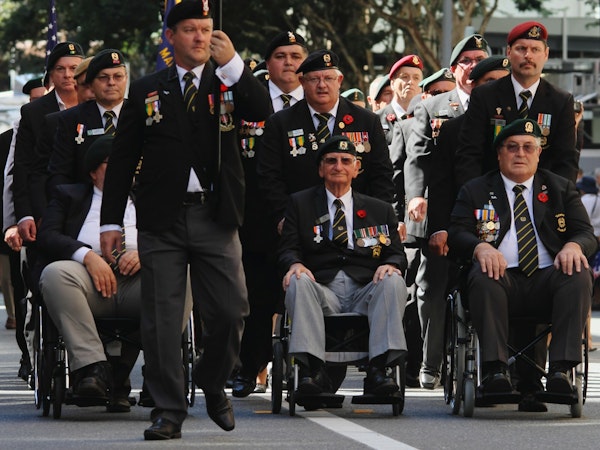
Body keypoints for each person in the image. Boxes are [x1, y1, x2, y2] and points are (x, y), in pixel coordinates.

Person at [99, 0, 271, 440]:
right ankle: (169, 410)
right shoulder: (146, 89)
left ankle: (212, 381)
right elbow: (122, 159)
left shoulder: (228, 80)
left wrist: (233, 63)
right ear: (171, 36)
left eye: (206, 28)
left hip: (216, 216)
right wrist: (110, 222)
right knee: (161, 319)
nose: (200, 37)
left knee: (231, 310)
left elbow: (261, 112)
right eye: (191, 29)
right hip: (163, 219)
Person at [448, 118, 595, 407]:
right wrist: (479, 247)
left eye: (529, 147)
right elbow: (456, 232)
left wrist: (574, 246)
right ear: (499, 153)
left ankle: (561, 371)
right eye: (512, 147)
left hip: (548, 279)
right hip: (499, 279)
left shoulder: (560, 188)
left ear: (539, 153)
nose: (520, 153)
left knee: (578, 273)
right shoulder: (476, 189)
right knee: (485, 274)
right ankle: (495, 371)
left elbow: (586, 233)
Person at [279, 135, 408, 395]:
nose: (338, 166)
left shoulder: (380, 209)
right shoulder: (300, 204)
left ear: (356, 168)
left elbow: (396, 253)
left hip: (365, 290)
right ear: (321, 169)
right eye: (331, 161)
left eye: (346, 161)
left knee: (393, 279)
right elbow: (287, 248)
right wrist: (294, 264)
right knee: (297, 280)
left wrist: (391, 264)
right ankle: (312, 371)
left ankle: (379, 370)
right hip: (321, 289)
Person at [403, 34, 490, 389]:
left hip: (488, 213)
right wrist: (414, 197)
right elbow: (418, 159)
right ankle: (431, 361)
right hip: (440, 207)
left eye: (479, 59)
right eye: (466, 60)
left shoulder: (500, 107)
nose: (473, 66)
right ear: (454, 70)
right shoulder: (434, 106)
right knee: (431, 286)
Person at [37, 135, 141, 413]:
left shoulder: (148, 196)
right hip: (86, 281)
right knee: (55, 273)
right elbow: (48, 235)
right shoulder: (69, 195)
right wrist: (87, 256)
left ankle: (157, 372)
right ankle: (94, 369)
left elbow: (173, 233)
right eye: (112, 163)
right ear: (93, 171)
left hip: (138, 281)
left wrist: (145, 253)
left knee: (180, 274)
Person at [232, 30, 308, 398]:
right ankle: (248, 367)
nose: (289, 63)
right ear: (268, 63)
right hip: (256, 217)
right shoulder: (248, 103)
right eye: (280, 56)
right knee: (256, 296)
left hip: (308, 217)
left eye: (296, 56)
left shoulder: (319, 102)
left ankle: (307, 370)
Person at [257, 49, 395, 237]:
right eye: (314, 79)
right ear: (302, 82)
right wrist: (283, 216)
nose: (322, 85)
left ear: (339, 81)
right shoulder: (281, 123)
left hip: (357, 223)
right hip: (300, 224)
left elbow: (382, 175)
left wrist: (376, 217)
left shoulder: (366, 121)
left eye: (328, 78)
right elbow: (269, 176)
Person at [455, 21, 578, 187]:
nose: (528, 56)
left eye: (535, 49)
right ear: (508, 52)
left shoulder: (561, 101)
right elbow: (469, 154)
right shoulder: (485, 96)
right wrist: (475, 195)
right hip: (491, 193)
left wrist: (555, 198)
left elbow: (566, 161)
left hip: (542, 196)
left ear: (546, 54)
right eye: (521, 49)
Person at [427, 56, 511, 256]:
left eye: (503, 83)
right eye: (490, 82)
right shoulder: (452, 129)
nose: (497, 89)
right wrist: (439, 228)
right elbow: (441, 184)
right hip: (465, 220)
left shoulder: (518, 129)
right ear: (474, 87)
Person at [13, 41, 84, 245]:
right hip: (46, 208)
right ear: (51, 73)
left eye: (74, 68)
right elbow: (23, 166)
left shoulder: (94, 104)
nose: (68, 75)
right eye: (60, 69)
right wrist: (26, 214)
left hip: (87, 207)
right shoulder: (33, 112)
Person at [47, 48, 128, 190]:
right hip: (87, 199)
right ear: (91, 84)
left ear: (126, 79)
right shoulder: (71, 119)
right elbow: (60, 173)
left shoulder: (139, 114)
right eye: (103, 77)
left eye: (118, 76)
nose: (111, 82)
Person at [377, 54, 424, 144]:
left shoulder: (427, 117)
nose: (410, 82)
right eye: (405, 77)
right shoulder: (377, 119)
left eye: (416, 78)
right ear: (392, 83)